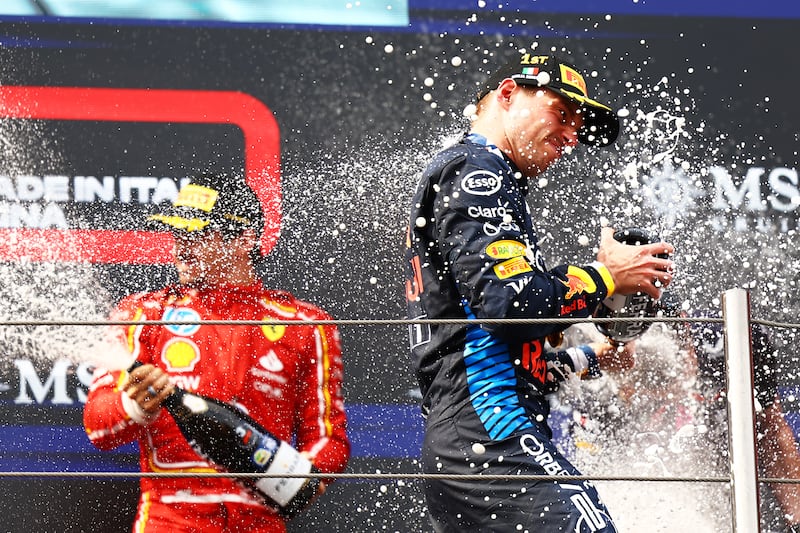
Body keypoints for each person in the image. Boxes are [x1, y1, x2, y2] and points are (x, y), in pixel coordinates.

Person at [404, 53, 675, 532]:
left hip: (473, 439)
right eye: (562, 114)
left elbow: (503, 357)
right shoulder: (476, 171)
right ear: (508, 94)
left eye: (578, 125)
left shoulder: (482, 177)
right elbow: (511, 308)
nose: (572, 135)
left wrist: (591, 355)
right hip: (492, 437)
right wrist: (604, 276)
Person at [83, 173, 350, 533]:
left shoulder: (306, 325)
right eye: (177, 234)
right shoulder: (144, 314)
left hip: (260, 522)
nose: (181, 247)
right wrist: (136, 405)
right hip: (170, 517)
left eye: (196, 234)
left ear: (243, 239)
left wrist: (303, 482)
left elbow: (328, 438)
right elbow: (97, 427)